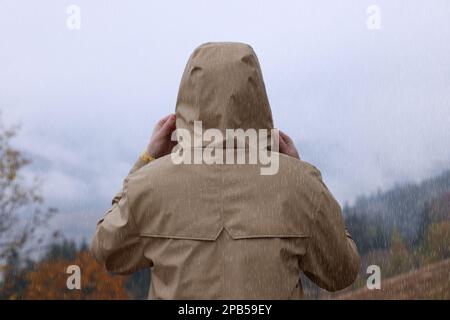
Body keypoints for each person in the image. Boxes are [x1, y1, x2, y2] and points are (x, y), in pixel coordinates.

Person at [91, 42, 360, 299]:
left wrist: (147, 159)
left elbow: (107, 251)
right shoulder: (300, 185)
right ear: (257, 95)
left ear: (188, 96)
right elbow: (341, 272)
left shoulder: (148, 186)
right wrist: (303, 175)